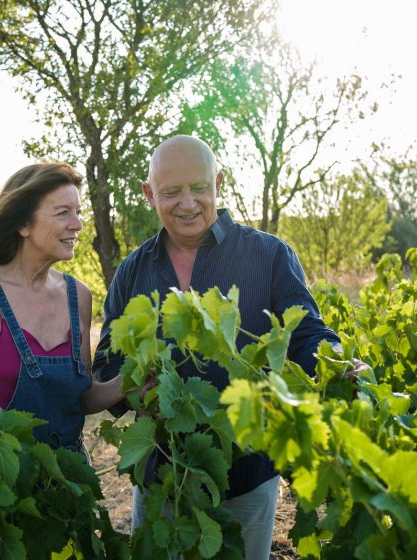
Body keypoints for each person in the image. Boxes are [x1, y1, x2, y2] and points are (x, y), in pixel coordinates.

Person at [93, 135, 349, 559]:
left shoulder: (268, 255)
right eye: (171, 192)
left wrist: (336, 361)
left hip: (247, 474)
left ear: (219, 183)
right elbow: (107, 363)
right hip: (161, 476)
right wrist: (136, 389)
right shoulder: (132, 271)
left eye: (199, 187)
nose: (188, 203)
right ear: (148, 194)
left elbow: (304, 336)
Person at [0, 162, 125, 456]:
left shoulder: (78, 296)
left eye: (78, 212)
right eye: (63, 213)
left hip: (68, 480)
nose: (77, 224)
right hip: (0, 479)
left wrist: (130, 381)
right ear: (23, 224)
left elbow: (80, 396)